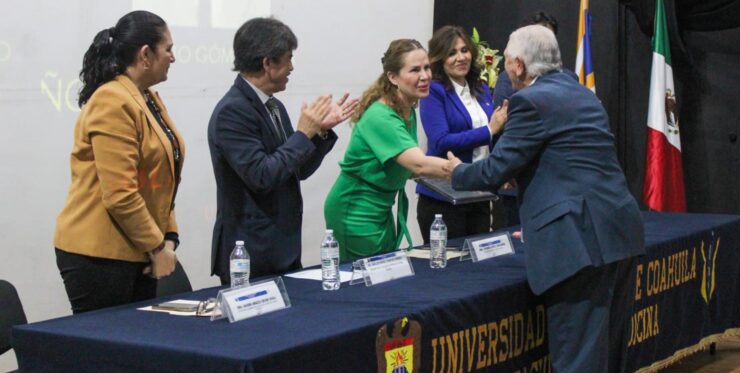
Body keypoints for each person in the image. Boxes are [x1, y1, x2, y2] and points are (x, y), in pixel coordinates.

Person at [447, 25, 645, 373]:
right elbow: (564, 161)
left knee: (577, 370)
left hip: (578, 244)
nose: (506, 70)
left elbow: (496, 168)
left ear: (518, 65)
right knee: (604, 365)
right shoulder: (581, 93)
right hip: (619, 234)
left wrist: (454, 172)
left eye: (507, 63)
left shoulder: (530, 102)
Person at [208, 17, 357, 284]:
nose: (291, 67)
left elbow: (295, 170)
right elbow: (262, 176)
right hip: (251, 255)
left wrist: (318, 132)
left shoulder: (274, 106)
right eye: (288, 59)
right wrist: (302, 134)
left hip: (282, 248)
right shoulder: (233, 111)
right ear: (267, 63)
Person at [54, 11, 183, 313]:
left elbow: (164, 178)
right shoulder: (112, 100)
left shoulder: (147, 97)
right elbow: (120, 193)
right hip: (99, 255)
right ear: (145, 54)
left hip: (139, 248)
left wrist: (169, 240)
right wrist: (156, 246)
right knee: (106, 356)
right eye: (168, 49)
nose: (173, 57)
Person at [324, 39, 452, 261]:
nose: (425, 76)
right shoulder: (381, 116)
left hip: (382, 210)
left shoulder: (408, 109)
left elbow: (409, 167)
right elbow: (418, 164)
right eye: (415, 70)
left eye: (427, 67)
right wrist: (466, 171)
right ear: (392, 77)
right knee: (365, 284)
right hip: (356, 212)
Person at [415, 26, 508, 243]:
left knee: (479, 266)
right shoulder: (434, 91)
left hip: (479, 193)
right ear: (440, 58)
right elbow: (441, 142)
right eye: (452, 53)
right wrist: (489, 130)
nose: (461, 57)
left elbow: (490, 140)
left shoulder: (481, 88)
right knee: (449, 270)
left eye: (464, 50)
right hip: (443, 198)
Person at [492, 12, 559, 230]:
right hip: (518, 177)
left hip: (553, 181)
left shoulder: (567, 79)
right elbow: (504, 125)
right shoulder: (509, 77)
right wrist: (505, 169)